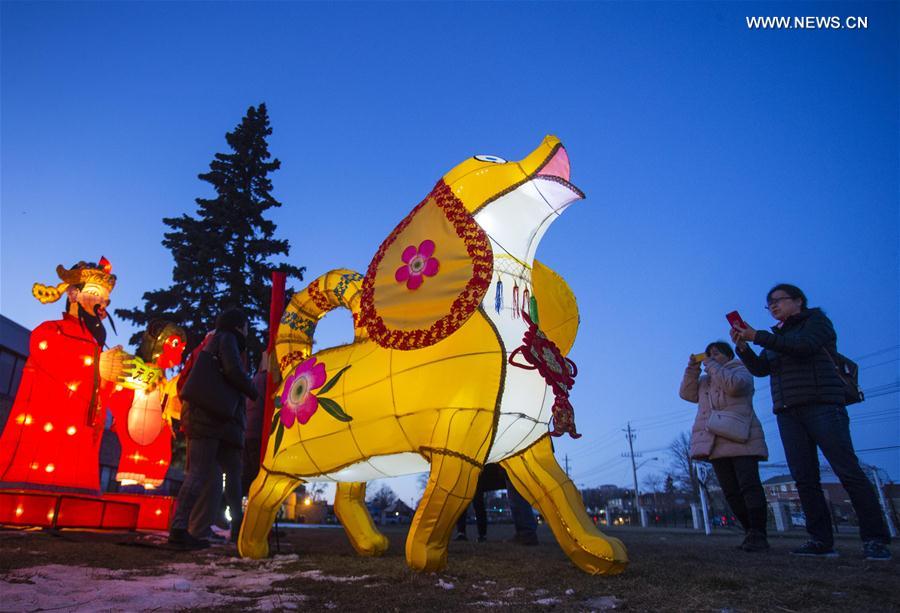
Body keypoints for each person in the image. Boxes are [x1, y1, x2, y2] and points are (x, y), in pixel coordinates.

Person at [731, 283, 891, 561]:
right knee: (804, 478)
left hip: (822, 404)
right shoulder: (776, 336)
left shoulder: (816, 322)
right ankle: (820, 540)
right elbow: (761, 369)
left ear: (798, 301)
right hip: (787, 410)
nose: (773, 307)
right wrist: (744, 348)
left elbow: (803, 347)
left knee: (848, 471)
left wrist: (759, 336)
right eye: (769, 305)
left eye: (778, 301)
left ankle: (875, 539)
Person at [168, 308, 258, 549]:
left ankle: (214, 529)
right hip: (211, 418)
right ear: (239, 325)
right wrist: (255, 391)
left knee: (224, 476)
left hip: (217, 420)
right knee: (204, 473)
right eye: (246, 326)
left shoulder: (212, 343)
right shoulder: (226, 339)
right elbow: (233, 371)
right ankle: (180, 529)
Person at [680, 341, 769, 552]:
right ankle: (749, 532)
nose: (712, 357)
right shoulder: (705, 381)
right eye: (709, 354)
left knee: (749, 486)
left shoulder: (740, 370)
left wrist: (712, 365)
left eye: (717, 353)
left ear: (728, 355)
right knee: (731, 491)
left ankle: (759, 532)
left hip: (741, 438)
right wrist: (692, 368)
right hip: (715, 442)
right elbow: (686, 393)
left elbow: (736, 387)